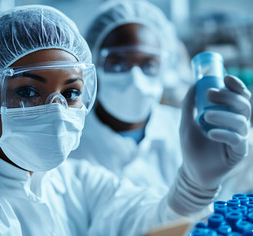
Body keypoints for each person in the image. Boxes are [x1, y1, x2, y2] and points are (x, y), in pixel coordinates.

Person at [0, 5, 251, 236]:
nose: (57, 110)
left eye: (71, 92)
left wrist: (196, 184)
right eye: (29, 91)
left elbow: (145, 222)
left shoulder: (70, 181)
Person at [69, 0, 189, 191]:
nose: (135, 78)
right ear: (92, 64)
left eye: (148, 65)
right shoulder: (69, 141)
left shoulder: (186, 130)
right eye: (117, 63)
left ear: (165, 66)